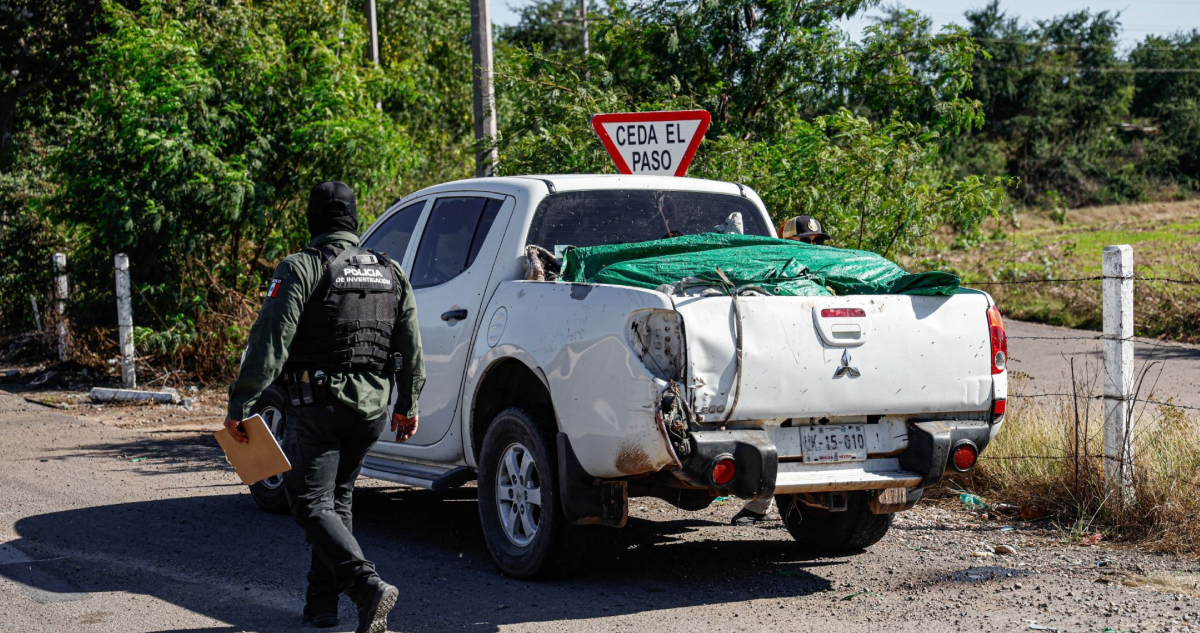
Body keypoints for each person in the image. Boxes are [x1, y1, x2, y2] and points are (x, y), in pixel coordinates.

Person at [224, 181, 425, 633]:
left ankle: (367, 586)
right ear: (354, 221)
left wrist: (242, 402)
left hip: (319, 403)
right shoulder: (390, 271)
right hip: (372, 410)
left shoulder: (302, 267)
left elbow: (271, 340)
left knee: (309, 501)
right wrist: (408, 402)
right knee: (338, 499)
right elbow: (411, 345)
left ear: (312, 222)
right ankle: (321, 607)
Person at [730, 214, 830, 528]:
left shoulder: (826, 275)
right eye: (804, 242)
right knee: (771, 429)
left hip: (822, 366)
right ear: (784, 242)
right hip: (786, 365)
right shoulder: (771, 274)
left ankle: (772, 503)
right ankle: (762, 503)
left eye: (815, 242)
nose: (811, 247)